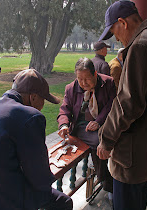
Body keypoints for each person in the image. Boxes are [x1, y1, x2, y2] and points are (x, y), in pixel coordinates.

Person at [96, 1, 147, 209]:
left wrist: (106, 139)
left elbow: (128, 103)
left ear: (122, 22)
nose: (115, 38)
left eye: (114, 31)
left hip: (132, 157)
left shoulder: (141, 45)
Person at [0, 69, 73, 210]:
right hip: (2, 202)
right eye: (43, 100)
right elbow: (40, 178)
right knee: (63, 202)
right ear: (33, 97)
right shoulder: (30, 116)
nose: (41, 107)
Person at [57, 58, 116, 196]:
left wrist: (99, 120)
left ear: (95, 74)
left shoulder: (108, 83)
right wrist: (64, 125)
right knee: (98, 142)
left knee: (116, 139)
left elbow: (112, 104)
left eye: (87, 79)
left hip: (103, 122)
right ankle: (107, 182)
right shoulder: (71, 88)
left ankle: (111, 178)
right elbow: (64, 109)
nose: (83, 83)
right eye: (79, 79)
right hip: (81, 125)